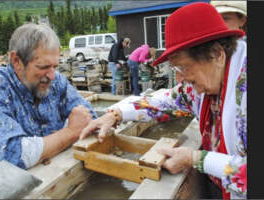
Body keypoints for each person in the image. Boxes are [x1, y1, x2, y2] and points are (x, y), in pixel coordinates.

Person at [80, 2, 246, 199]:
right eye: (176, 70)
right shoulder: (204, 83)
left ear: (216, 54)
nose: (180, 79)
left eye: (183, 67)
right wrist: (115, 114)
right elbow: (163, 101)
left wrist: (195, 158)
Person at [0, 23, 96, 179]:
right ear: (16, 61)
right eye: (43, 66)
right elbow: (13, 156)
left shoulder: (56, 81)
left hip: (41, 181)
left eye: (55, 66)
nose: (52, 75)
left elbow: (88, 116)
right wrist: (71, 131)